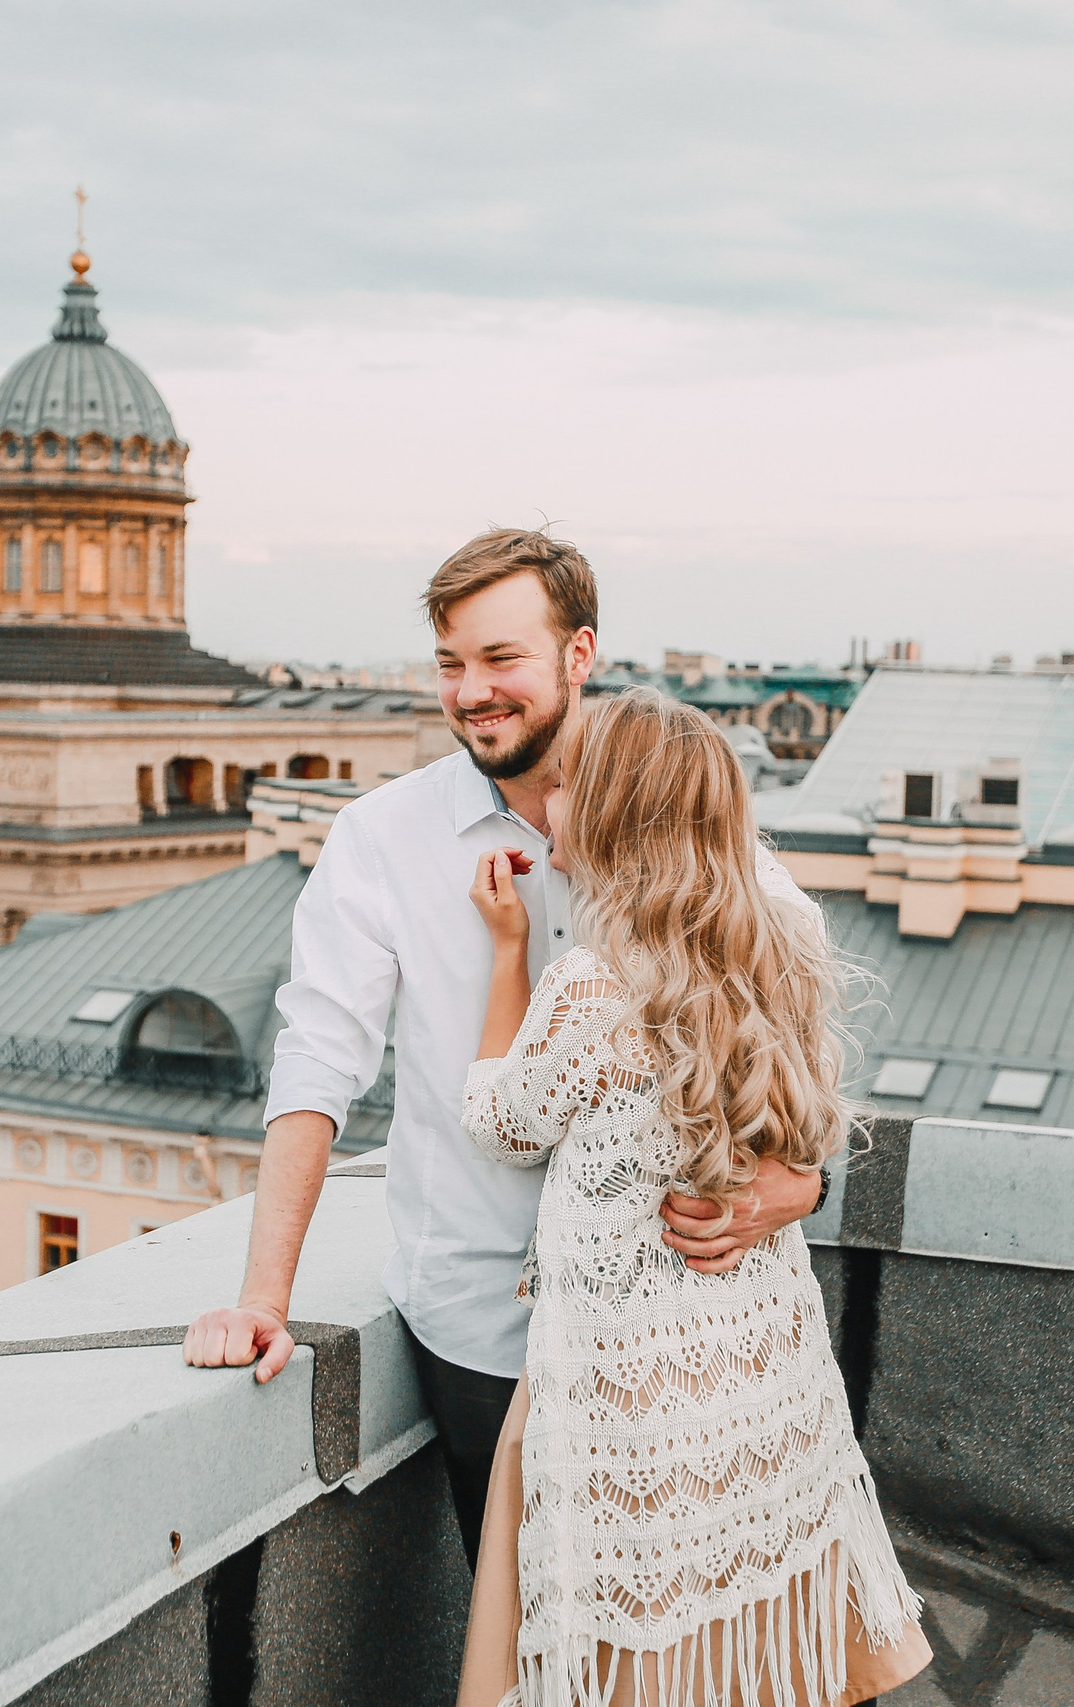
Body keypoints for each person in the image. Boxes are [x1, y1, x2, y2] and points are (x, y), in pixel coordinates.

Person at [182, 531, 827, 1572]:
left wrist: (804, 1180)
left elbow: (787, 995)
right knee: (533, 1624)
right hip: (486, 1325)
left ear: (578, 655)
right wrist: (264, 1300)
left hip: (670, 1325)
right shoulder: (382, 838)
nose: (471, 692)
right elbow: (317, 1059)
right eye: (450, 663)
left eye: (501, 660)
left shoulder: (670, 811)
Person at [453, 689, 928, 1706]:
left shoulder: (591, 984)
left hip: (631, 1403)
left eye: (571, 783)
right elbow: (801, 1135)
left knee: (641, 1653)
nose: (548, 800)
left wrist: (504, 953)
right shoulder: (773, 953)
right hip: (763, 1391)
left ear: (621, 815)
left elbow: (499, 1121)